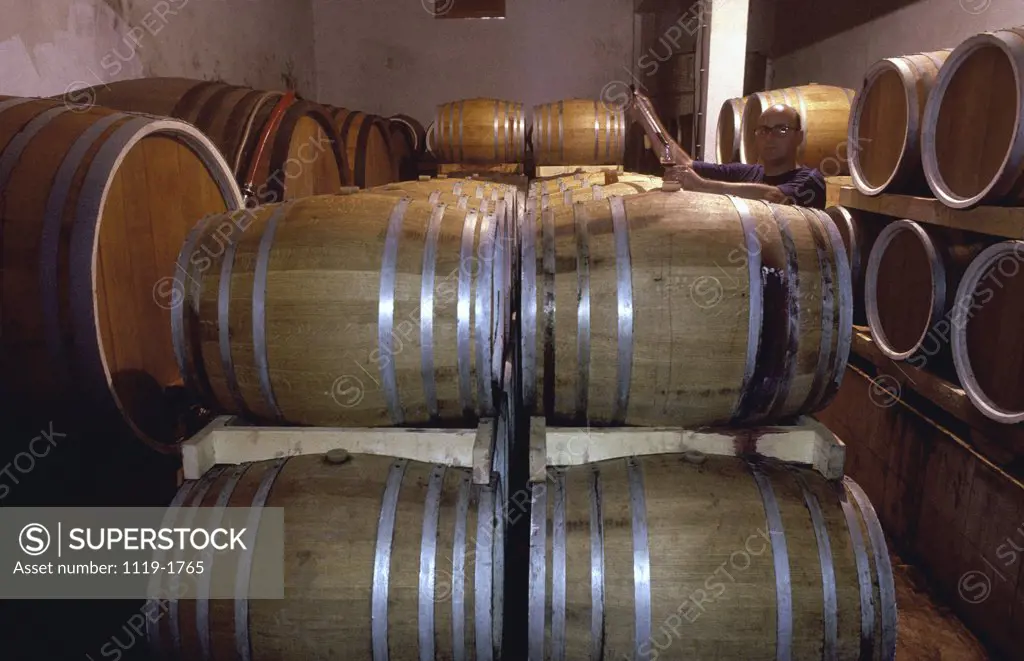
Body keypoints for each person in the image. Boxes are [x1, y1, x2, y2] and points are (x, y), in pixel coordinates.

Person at [638, 101, 826, 208]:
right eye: (763, 130)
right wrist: (648, 117)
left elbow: (774, 197)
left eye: (781, 129)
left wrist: (702, 185)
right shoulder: (747, 173)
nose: (770, 137)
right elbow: (685, 164)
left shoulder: (810, 180)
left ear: (799, 136)